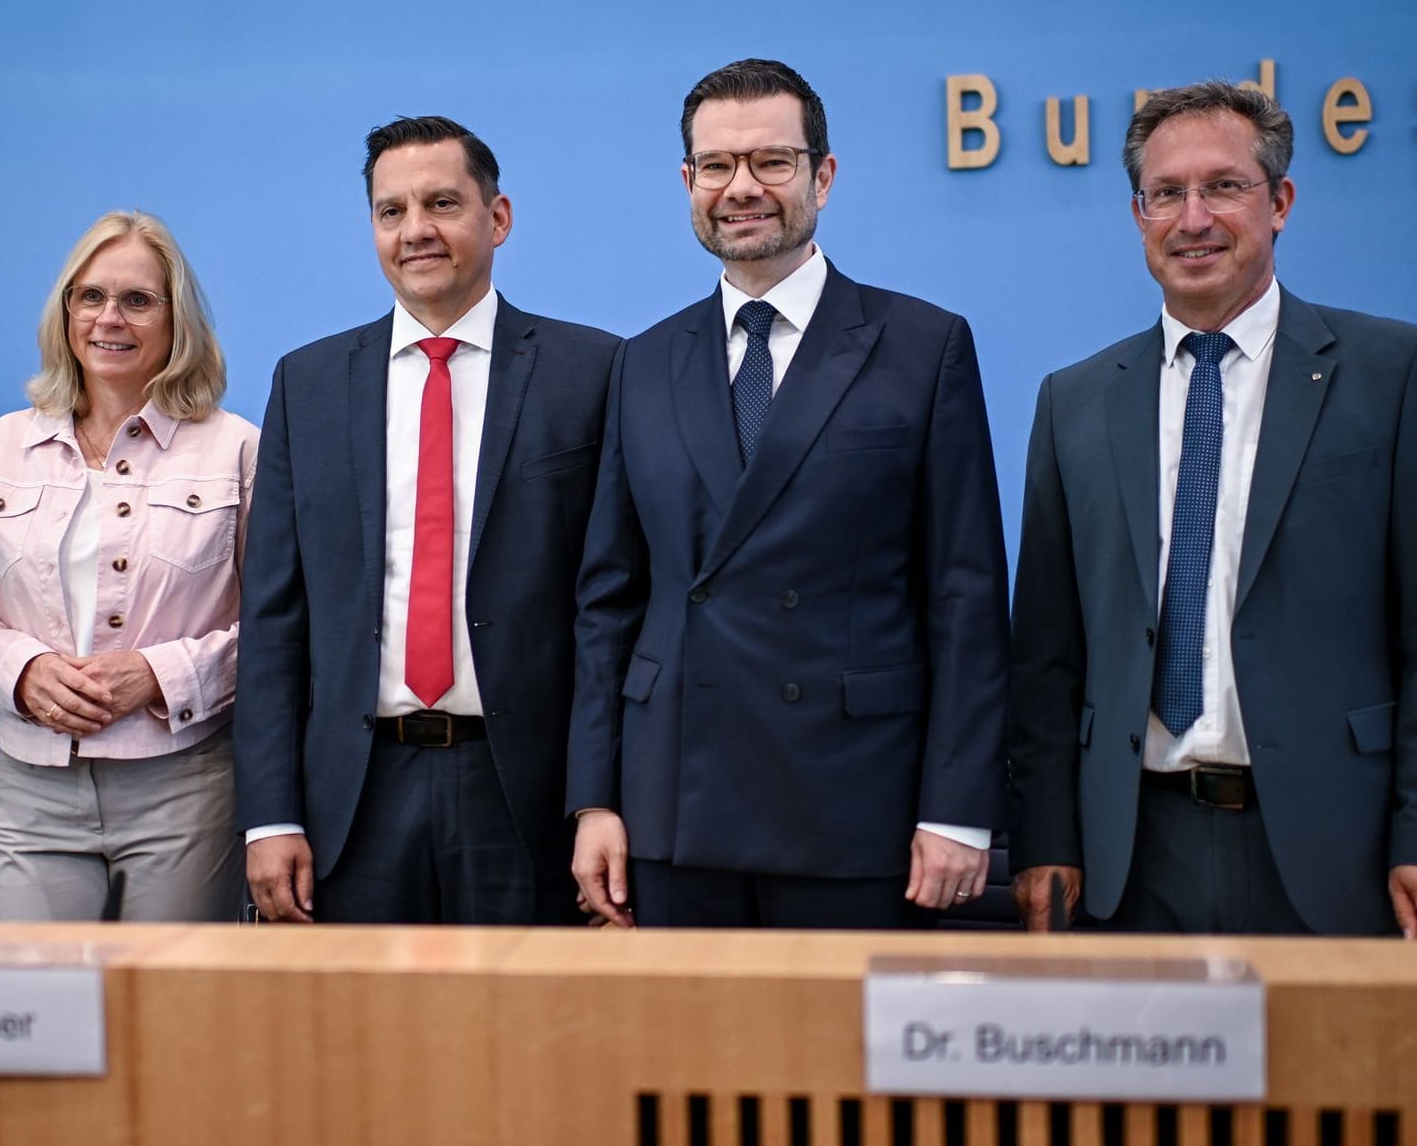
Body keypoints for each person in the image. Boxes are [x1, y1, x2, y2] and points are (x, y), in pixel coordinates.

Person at [568, 59, 1010, 929]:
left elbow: (965, 597)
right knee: (687, 1060)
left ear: (824, 175)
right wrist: (595, 799)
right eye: (717, 166)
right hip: (673, 803)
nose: (742, 188)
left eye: (771, 161)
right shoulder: (644, 362)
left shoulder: (923, 346)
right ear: (687, 182)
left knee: (847, 1065)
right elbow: (607, 602)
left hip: (855, 801)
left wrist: (956, 807)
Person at [1009, 81, 1417, 937]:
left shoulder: (1390, 373)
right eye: (1167, 193)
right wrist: (1045, 839)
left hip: (1329, 850)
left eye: (1224, 186)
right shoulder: (1075, 401)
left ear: (1281, 202)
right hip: (1129, 860)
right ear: (1138, 214)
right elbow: (1047, 654)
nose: (1193, 218)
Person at [237, 116, 620, 924]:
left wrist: (600, 797)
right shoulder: (306, 384)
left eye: (442, 203)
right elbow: (274, 620)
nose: (416, 230)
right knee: (360, 1045)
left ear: (499, 217)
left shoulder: (595, 372)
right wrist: (271, 813)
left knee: (527, 1042)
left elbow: (612, 611)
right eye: (391, 211)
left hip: (528, 797)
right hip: (355, 796)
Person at [0, 211, 257, 921]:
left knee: (174, 1018)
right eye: (91, 296)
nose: (110, 317)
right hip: (31, 787)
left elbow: (277, 627)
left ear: (177, 320)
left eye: (138, 300)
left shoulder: (236, 450)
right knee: (34, 1015)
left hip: (186, 788)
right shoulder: (4, 445)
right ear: (66, 311)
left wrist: (159, 674)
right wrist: (23, 671)